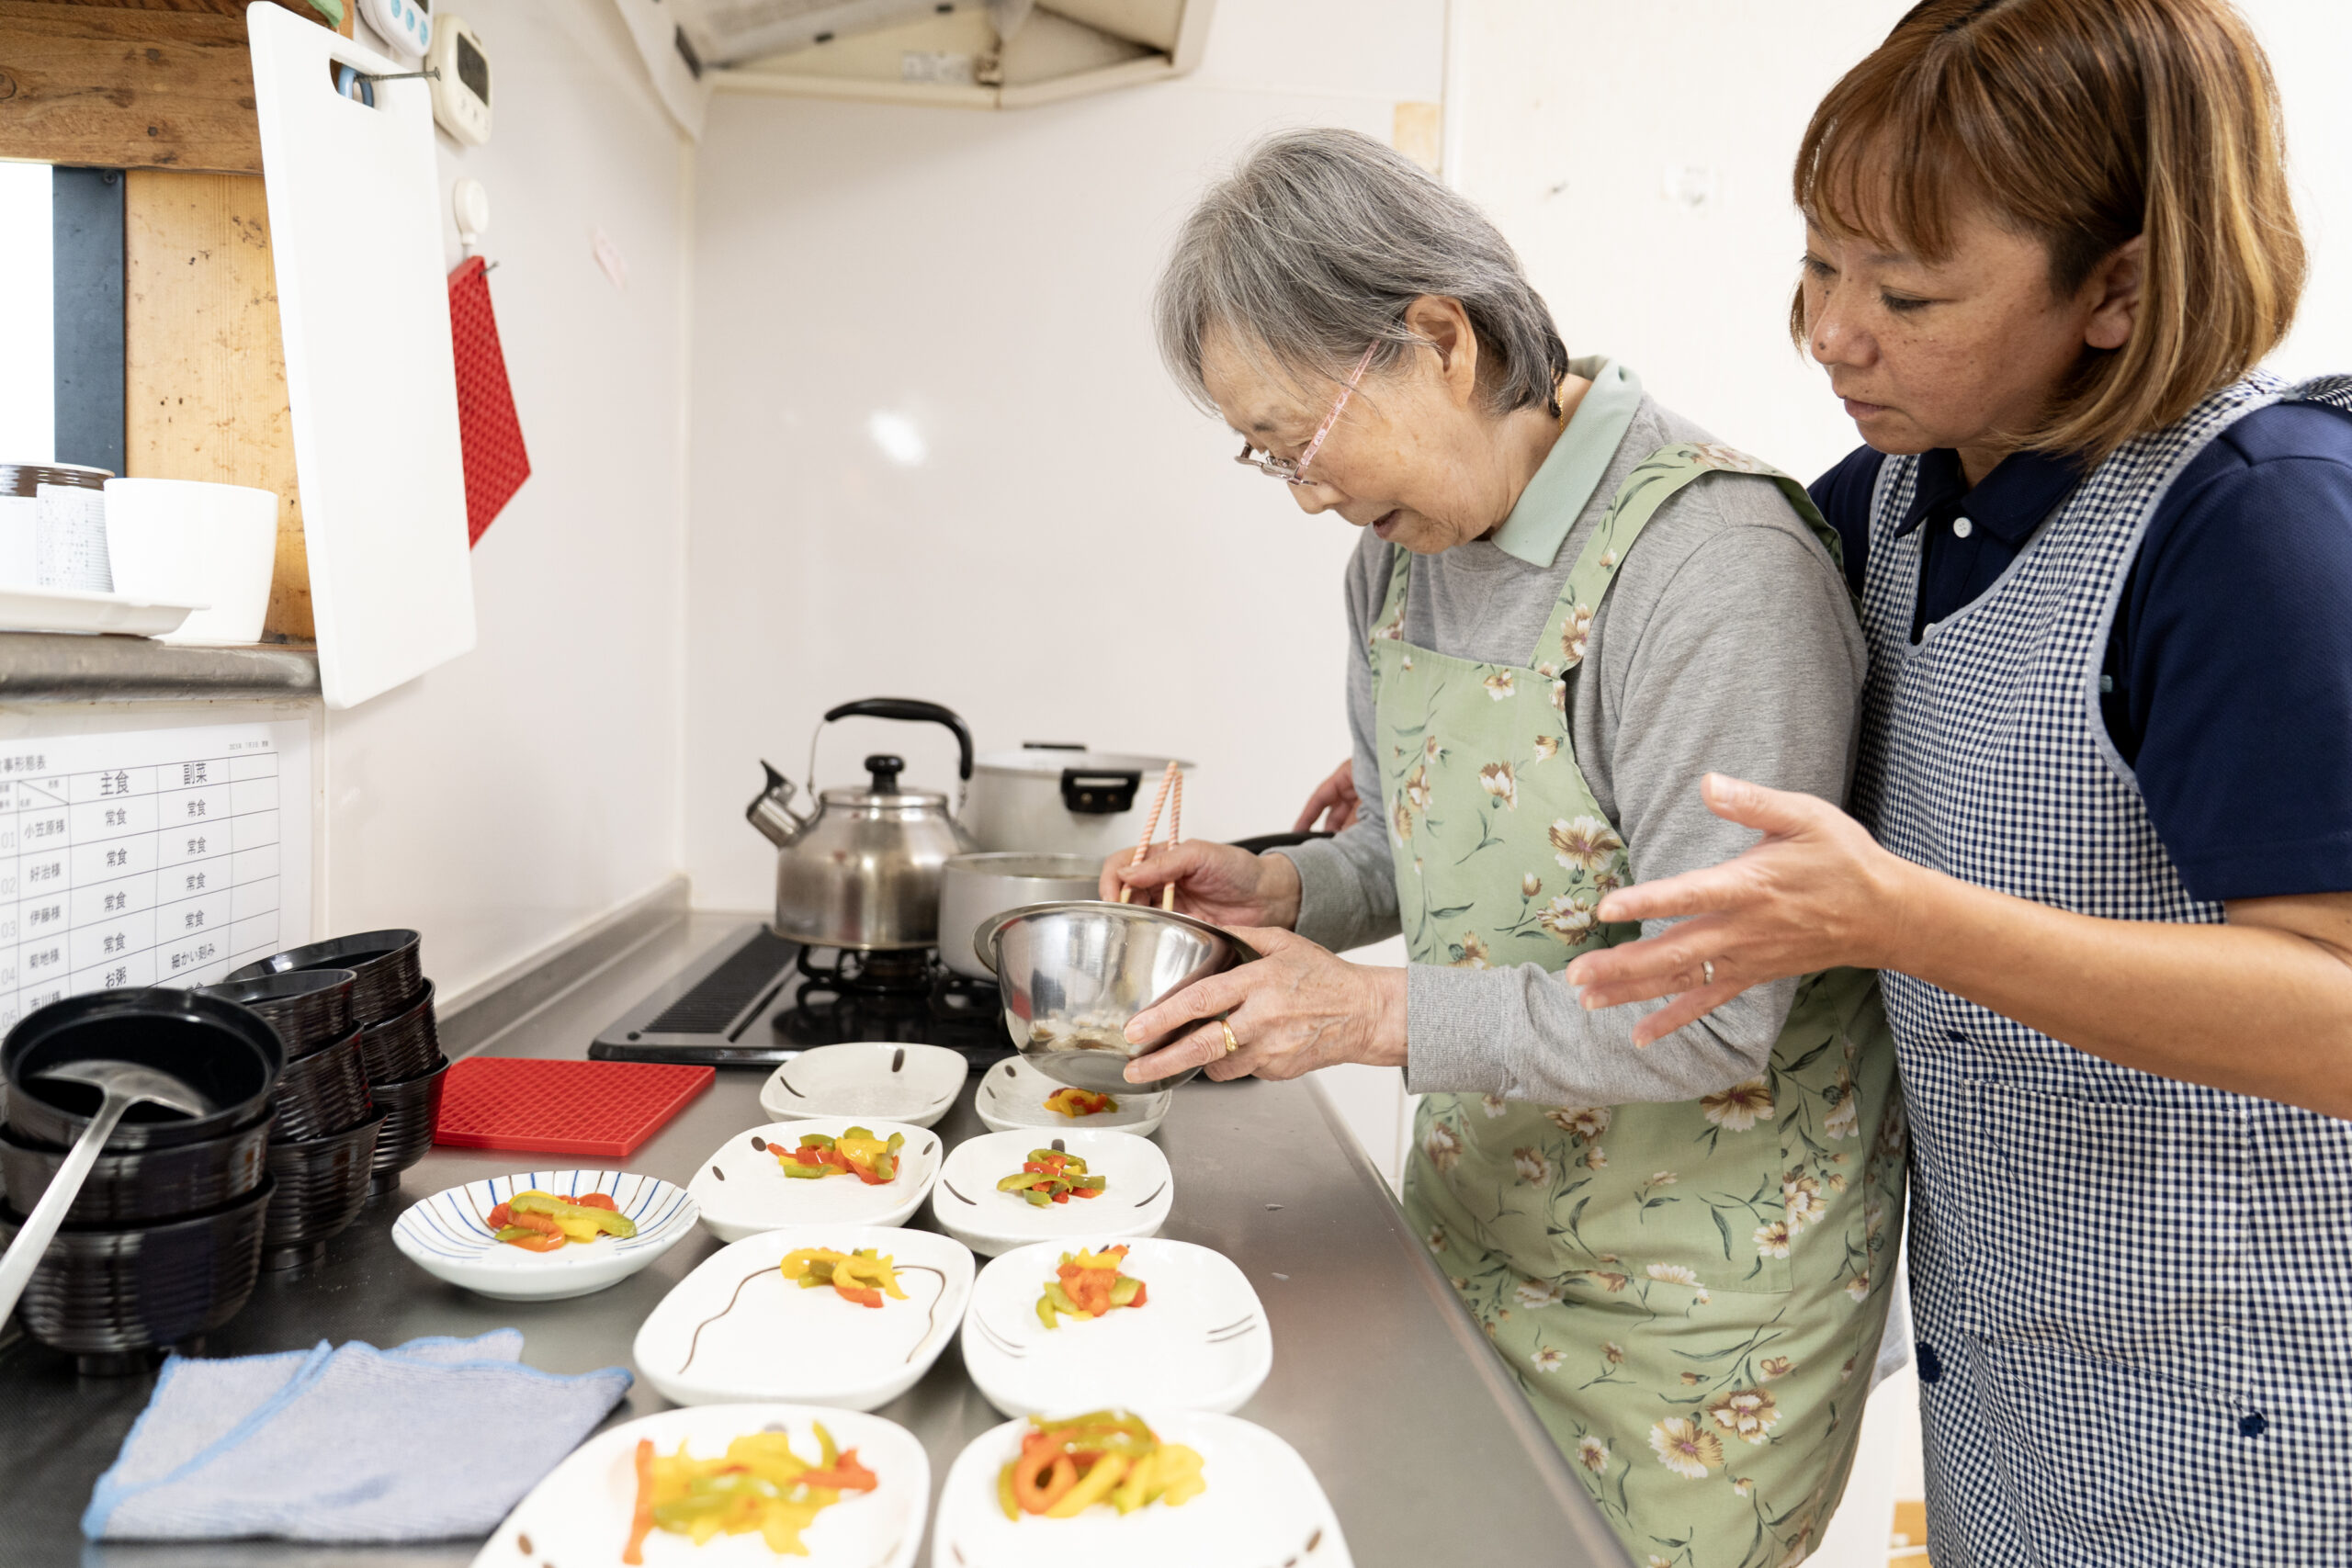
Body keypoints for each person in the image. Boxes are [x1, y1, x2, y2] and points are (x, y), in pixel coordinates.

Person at [1559, 2, 2352, 1561]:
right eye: (1818, 263)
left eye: (1907, 292)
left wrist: (1903, 921)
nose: (1833, 334)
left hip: (2270, 1385)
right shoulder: (1900, 498)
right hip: (2017, 1354)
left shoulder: (2258, 526)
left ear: (2117, 287)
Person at [1109, 127, 1905, 1566]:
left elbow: (1702, 1009)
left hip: (1695, 1319)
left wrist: (1356, 1011)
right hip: (1480, 1220)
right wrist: (1290, 884)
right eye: (1263, 454)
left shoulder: (1713, 570)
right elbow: (1460, 858)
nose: (1300, 490)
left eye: (1299, 435)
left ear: (1438, 341)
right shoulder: (1398, 556)